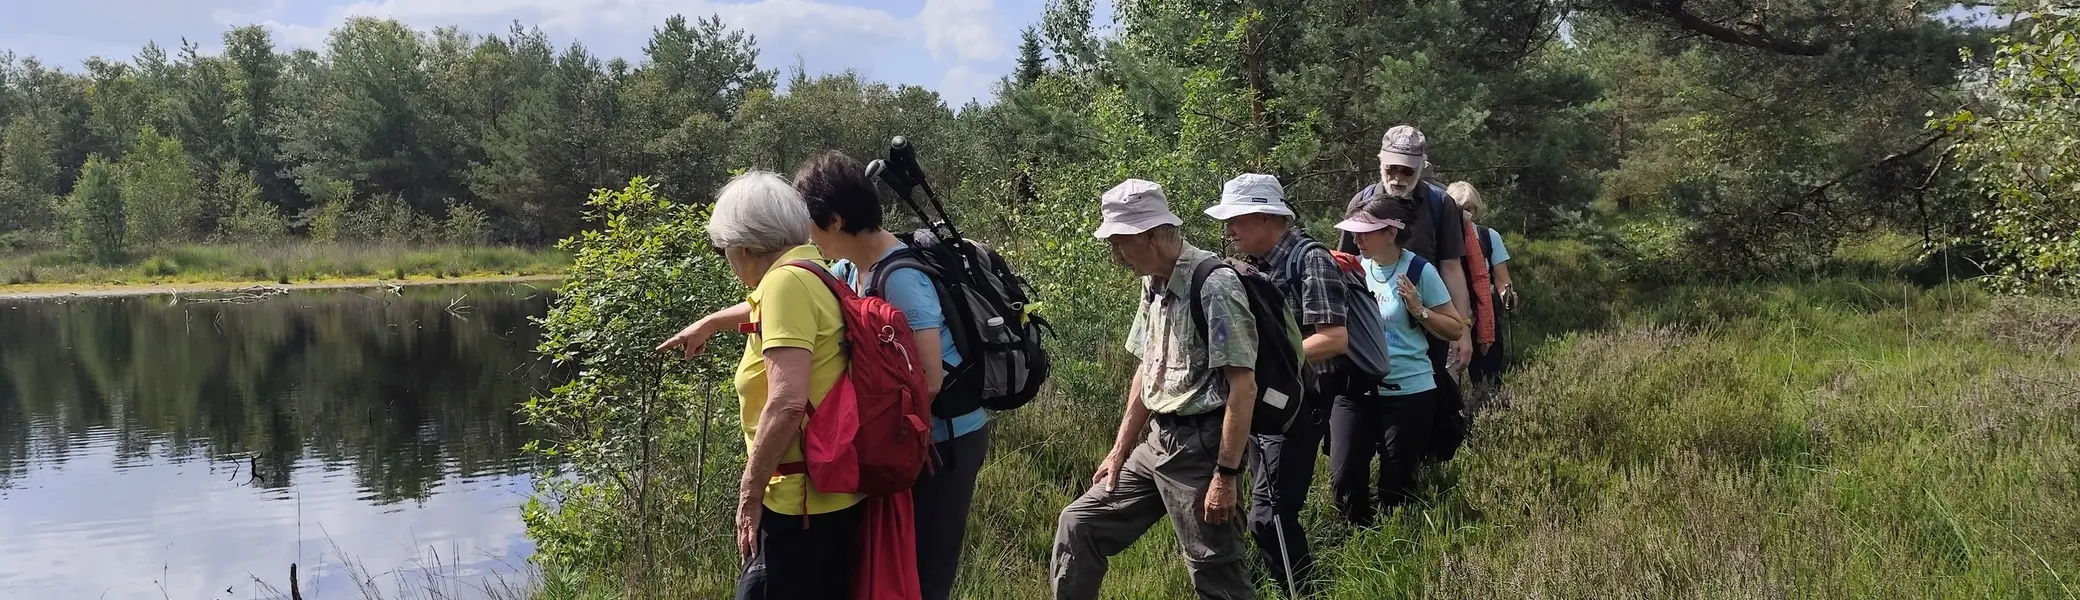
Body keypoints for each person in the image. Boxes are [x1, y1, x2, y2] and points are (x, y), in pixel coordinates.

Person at [657, 171, 862, 600]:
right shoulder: (814, 269)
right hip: (831, 496)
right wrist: (711, 322)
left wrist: (749, 495)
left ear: (745, 248)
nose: (727, 260)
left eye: (723, 250)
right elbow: (761, 309)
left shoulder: (785, 284)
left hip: (797, 503)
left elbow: (787, 403)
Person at [1053, 179, 1258, 600]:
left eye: (1120, 242)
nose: (1115, 255)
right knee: (1079, 524)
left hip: (1202, 449)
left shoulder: (1214, 285)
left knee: (1214, 572)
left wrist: (1226, 475)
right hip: (1155, 444)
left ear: (1150, 234)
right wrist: (1119, 449)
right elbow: (1147, 367)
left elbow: (1244, 388)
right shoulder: (1153, 281)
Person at [795, 150, 986, 600]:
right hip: (907, 438)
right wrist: (711, 323)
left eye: (811, 223)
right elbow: (795, 292)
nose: (808, 234)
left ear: (835, 222)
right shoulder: (849, 268)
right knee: (891, 567)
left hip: (945, 439)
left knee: (924, 572)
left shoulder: (899, 277)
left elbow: (930, 377)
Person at [1203, 173, 1347, 597]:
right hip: (1258, 405)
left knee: (1272, 516)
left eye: (1237, 220)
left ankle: (1303, 591)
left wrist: (1274, 363)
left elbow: (1336, 338)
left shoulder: (1310, 260)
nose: (1229, 230)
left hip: (1299, 408)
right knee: (1262, 511)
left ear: (1267, 217)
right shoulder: (1248, 269)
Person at [1327, 199, 1466, 527]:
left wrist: (1420, 309)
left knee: (1396, 488)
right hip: (1356, 391)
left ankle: (1395, 551)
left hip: (1409, 394)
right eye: (1354, 233)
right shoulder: (1352, 268)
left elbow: (1455, 326)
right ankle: (1355, 545)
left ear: (1391, 232)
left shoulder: (1419, 271)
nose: (1356, 239)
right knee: (1344, 480)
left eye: (1365, 233)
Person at [1341, 126, 1475, 374]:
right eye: (1391, 168)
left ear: (1421, 166)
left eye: (1407, 170)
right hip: (1374, 325)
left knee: (1431, 398)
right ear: (1380, 163)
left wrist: (1463, 330)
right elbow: (1346, 266)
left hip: (1429, 325)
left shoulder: (1441, 203)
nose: (1398, 178)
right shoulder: (1362, 201)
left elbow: (1452, 268)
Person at [1448, 182, 1515, 386]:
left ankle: (1489, 413)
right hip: (1451, 312)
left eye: (1470, 209)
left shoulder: (1488, 236)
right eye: (1461, 209)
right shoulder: (1443, 238)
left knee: (1488, 377)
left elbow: (1503, 279)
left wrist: (1507, 294)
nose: (1466, 214)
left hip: (1485, 312)